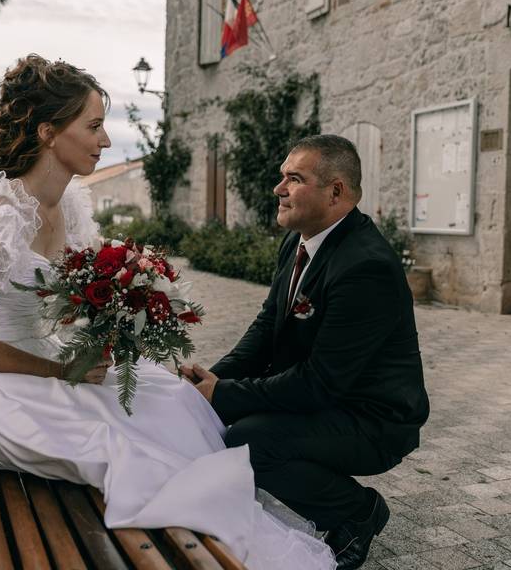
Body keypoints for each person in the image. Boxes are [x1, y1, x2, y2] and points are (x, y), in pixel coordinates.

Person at [0, 55, 336, 569]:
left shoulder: (65, 206)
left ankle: (209, 542)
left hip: (35, 358)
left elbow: (63, 307)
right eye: (92, 126)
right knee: (127, 444)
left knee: (173, 400)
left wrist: (114, 321)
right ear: (48, 131)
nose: (105, 141)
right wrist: (59, 369)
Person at [180, 135, 430, 570]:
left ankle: (357, 511)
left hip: (375, 418)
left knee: (250, 439)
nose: (278, 189)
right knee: (225, 419)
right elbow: (266, 331)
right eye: (282, 177)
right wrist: (207, 386)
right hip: (332, 398)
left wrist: (226, 395)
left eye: (294, 179)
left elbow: (321, 382)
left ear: (336, 192)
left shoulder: (365, 266)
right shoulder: (300, 240)